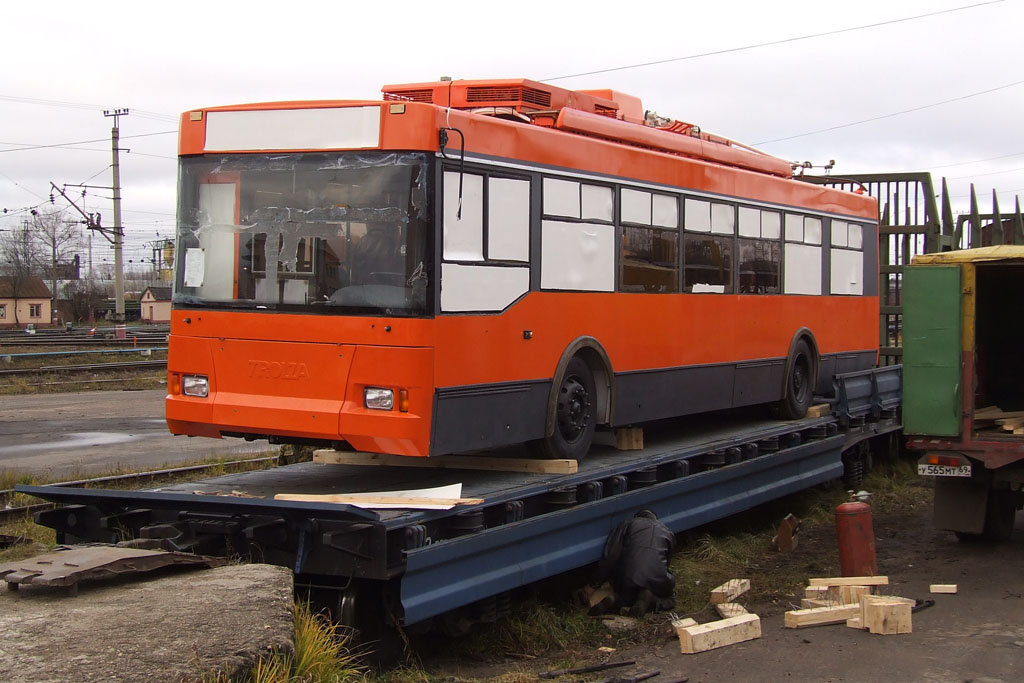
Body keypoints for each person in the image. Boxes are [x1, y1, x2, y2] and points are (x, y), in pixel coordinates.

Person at [588, 509, 676, 618]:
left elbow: (611, 556)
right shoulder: (667, 531)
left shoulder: (628, 524)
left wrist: (594, 583)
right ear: (655, 518)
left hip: (629, 577)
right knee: (670, 600)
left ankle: (615, 600)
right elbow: (666, 563)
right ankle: (650, 599)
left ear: (637, 517)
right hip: (657, 578)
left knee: (627, 594)